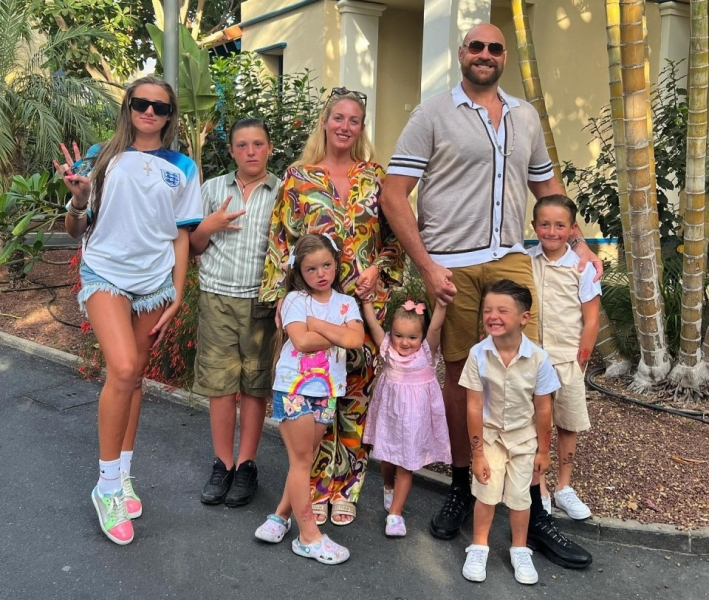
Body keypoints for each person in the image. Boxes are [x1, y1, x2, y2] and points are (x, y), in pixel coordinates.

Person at [380, 22, 596, 567]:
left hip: (510, 259)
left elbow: (547, 189)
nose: (485, 54)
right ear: (462, 54)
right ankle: (462, 484)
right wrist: (426, 265)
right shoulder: (432, 114)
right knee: (462, 380)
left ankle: (536, 510)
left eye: (494, 48)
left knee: (528, 375)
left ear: (504, 57)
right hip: (451, 264)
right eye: (476, 46)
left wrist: (580, 243)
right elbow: (394, 193)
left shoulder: (524, 117)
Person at [55, 76, 202, 545]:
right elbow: (75, 229)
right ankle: (106, 487)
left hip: (154, 282)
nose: (150, 112)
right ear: (128, 106)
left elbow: (181, 234)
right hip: (105, 273)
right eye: (141, 103)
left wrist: (177, 292)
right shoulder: (101, 156)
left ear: (170, 115)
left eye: (160, 107)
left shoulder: (182, 167)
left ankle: (123, 474)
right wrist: (79, 200)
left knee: (135, 376)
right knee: (120, 369)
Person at [260, 88, 404, 526]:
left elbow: (395, 238)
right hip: (313, 307)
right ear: (325, 122)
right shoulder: (298, 177)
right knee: (316, 392)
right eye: (338, 117)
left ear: (361, 127)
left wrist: (377, 268)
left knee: (356, 397)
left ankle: (347, 487)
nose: (345, 126)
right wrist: (281, 301)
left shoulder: (375, 177)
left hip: (363, 305)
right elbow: (280, 241)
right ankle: (317, 486)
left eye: (353, 120)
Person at [254, 233, 363, 565]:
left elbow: (355, 340)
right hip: (294, 388)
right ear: (300, 271)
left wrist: (316, 324)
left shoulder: (346, 302)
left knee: (304, 459)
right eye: (311, 268)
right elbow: (301, 342)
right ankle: (308, 537)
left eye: (326, 265)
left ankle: (280, 516)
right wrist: (336, 332)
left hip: (327, 391)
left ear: (336, 263)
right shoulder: (294, 300)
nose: (321, 274)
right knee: (302, 462)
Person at [189, 117, 280, 507]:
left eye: (258, 144)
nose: (250, 152)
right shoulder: (212, 189)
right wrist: (207, 226)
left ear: (270, 148)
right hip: (217, 298)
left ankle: (246, 465)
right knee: (221, 384)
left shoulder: (282, 192)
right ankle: (223, 463)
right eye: (242, 145)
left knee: (255, 384)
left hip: (261, 301)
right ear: (231, 151)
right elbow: (193, 245)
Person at [459, 280, 558, 585]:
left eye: (502, 310)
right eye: (488, 310)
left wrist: (544, 450)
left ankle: (519, 549)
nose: (493, 316)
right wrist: (477, 454)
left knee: (520, 498)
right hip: (490, 438)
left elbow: (544, 409)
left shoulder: (538, 359)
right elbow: (474, 406)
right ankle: (479, 546)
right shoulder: (478, 354)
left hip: (524, 440)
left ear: (524, 317)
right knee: (486, 494)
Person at [529, 195, 601, 519]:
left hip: (566, 360)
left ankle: (564, 487)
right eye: (545, 224)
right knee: (537, 425)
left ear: (572, 229)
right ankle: (540, 488)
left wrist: (581, 361)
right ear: (535, 226)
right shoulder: (526, 262)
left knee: (567, 425)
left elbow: (591, 320)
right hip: (533, 361)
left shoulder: (581, 268)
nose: (552, 231)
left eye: (560, 225)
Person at [362, 298, 451, 537]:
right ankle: (388, 485)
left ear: (421, 336)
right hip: (390, 416)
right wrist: (367, 303)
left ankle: (395, 514)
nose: (404, 342)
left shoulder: (426, 351)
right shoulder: (388, 348)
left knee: (406, 464)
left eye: (412, 337)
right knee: (387, 460)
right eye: (399, 335)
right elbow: (373, 325)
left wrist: (441, 305)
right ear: (391, 332)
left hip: (415, 418)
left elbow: (436, 327)